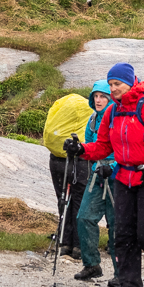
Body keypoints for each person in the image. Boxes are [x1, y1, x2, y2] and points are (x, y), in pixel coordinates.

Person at [64, 63, 144, 287]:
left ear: (130, 83)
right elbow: (103, 146)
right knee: (123, 236)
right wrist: (81, 149)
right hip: (124, 178)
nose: (113, 89)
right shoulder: (113, 112)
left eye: (117, 84)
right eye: (111, 84)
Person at [74, 80, 120, 287]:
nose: (98, 100)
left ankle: (121, 273)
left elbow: (126, 148)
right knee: (84, 217)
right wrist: (79, 149)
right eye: (96, 96)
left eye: (103, 96)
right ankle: (92, 264)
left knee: (116, 224)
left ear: (110, 99)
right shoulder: (92, 120)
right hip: (97, 175)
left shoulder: (119, 119)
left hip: (117, 176)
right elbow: (93, 147)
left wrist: (114, 166)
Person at [43, 93, 92, 260]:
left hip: (57, 159)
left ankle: (64, 242)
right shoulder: (91, 112)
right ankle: (78, 245)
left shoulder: (62, 107)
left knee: (63, 199)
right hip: (80, 160)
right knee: (79, 200)